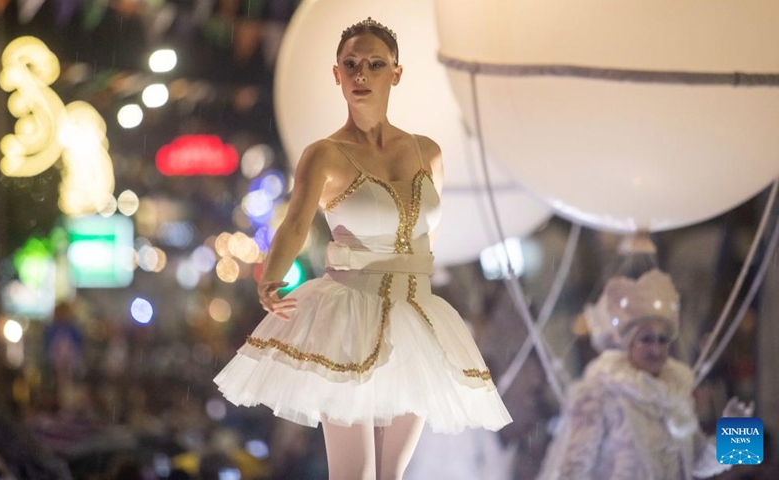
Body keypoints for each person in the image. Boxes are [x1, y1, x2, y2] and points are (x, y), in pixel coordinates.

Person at [214, 17, 511, 479]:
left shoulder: (428, 152)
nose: (361, 75)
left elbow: (427, 239)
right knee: (355, 474)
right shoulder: (324, 154)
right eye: (351, 64)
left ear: (396, 72)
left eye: (375, 64)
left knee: (391, 473)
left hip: (416, 319)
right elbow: (295, 222)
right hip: (348, 316)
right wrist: (271, 276)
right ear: (336, 74)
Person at [536, 269, 753, 480]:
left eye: (662, 340)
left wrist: (736, 432)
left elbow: (697, 465)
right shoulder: (598, 393)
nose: (656, 349)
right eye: (647, 339)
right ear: (628, 343)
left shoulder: (676, 393)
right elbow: (571, 470)